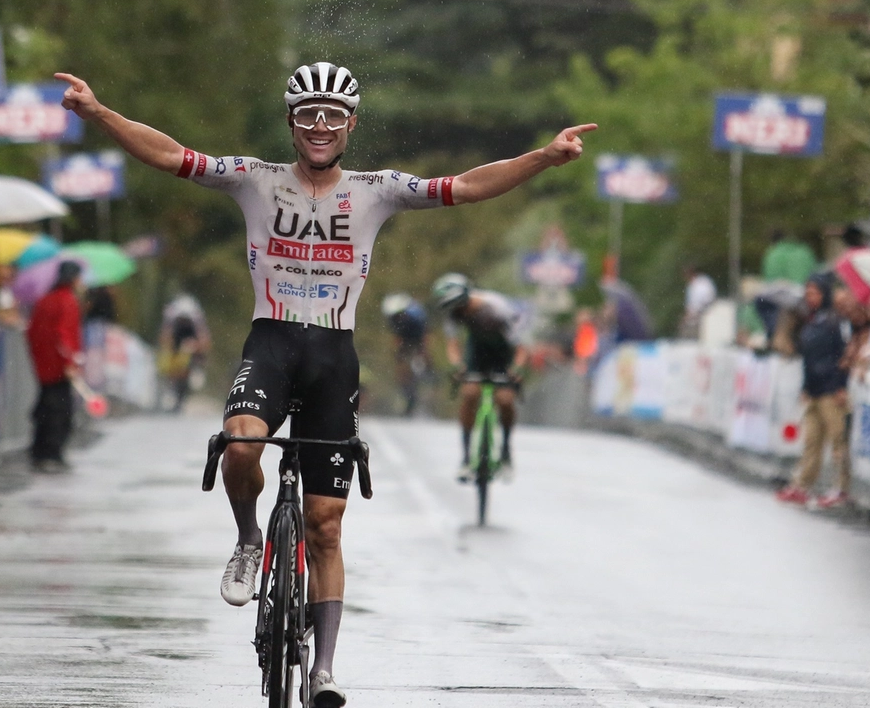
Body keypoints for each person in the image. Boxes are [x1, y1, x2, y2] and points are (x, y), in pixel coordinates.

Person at [57, 62, 594, 705]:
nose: (319, 125)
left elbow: (468, 187)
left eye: (333, 116)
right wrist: (98, 113)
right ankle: (249, 539)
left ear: (350, 125)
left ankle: (324, 671)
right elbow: (171, 155)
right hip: (272, 343)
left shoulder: (378, 189)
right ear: (291, 122)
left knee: (326, 524)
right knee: (239, 444)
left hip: (334, 357)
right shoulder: (255, 180)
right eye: (307, 114)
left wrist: (544, 156)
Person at [432, 273, 530, 481]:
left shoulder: (497, 308)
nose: (459, 313)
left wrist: (517, 369)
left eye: (461, 307)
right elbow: (453, 344)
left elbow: (521, 347)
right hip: (477, 352)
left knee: (505, 400)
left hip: (504, 353)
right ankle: (467, 458)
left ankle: (505, 450)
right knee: (469, 394)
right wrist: (458, 365)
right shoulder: (455, 313)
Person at [777, 273, 850, 509]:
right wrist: (806, 387)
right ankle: (802, 485)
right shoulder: (811, 321)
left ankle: (841, 487)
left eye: (815, 293)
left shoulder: (835, 322)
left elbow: (842, 356)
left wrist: (841, 385)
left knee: (838, 440)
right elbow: (807, 358)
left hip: (831, 389)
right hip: (815, 390)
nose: (810, 297)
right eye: (808, 293)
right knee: (812, 441)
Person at [26, 261, 85, 473]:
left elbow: (32, 331)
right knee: (61, 412)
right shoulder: (67, 301)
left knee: (44, 408)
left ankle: (39, 450)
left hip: (43, 365)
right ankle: (52, 452)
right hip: (59, 368)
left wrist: (40, 357)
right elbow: (64, 334)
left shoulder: (44, 300)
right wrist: (70, 362)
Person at [158, 294, 212, 412]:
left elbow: (204, 341)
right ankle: (168, 386)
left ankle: (196, 372)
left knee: (194, 358)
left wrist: (197, 350)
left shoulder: (196, 318)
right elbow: (164, 337)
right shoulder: (171, 316)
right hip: (176, 339)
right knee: (169, 362)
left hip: (190, 340)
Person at [381, 292, 431, 416]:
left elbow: (425, 336)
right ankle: (406, 391)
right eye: (394, 317)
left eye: (399, 316)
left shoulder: (417, 316)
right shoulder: (393, 319)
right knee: (401, 365)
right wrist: (399, 355)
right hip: (405, 338)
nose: (396, 319)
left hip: (418, 336)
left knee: (424, 360)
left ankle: (427, 386)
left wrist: (423, 353)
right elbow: (397, 338)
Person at [679, 264, 717, 339]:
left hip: (700, 319)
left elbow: (696, 306)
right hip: (703, 316)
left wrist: (686, 318)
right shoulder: (704, 281)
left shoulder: (697, 286)